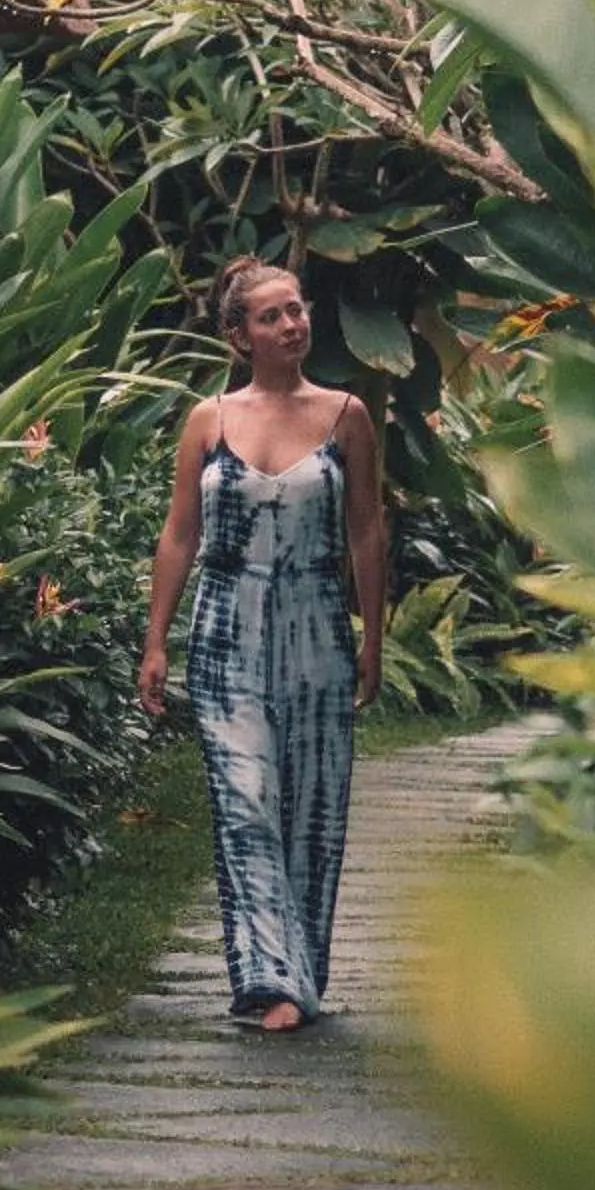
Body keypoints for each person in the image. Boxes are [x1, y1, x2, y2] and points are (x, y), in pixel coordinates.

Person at [138, 257, 385, 1032]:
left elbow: (369, 530)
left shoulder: (347, 415)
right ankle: (268, 980)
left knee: (312, 806)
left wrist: (373, 634)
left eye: (297, 309)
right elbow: (180, 535)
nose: (293, 324)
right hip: (224, 626)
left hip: (316, 625)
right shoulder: (207, 421)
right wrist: (156, 642)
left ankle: (298, 970)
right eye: (272, 315)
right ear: (240, 335)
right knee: (245, 802)